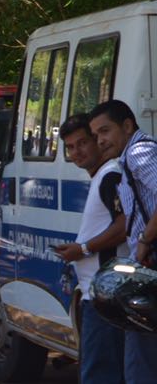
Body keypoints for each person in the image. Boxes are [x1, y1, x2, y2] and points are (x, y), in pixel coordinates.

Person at [53, 114, 127, 383]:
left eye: (83, 143)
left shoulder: (110, 175)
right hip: (96, 294)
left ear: (97, 141)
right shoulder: (101, 177)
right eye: (71, 147)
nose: (77, 152)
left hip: (106, 294)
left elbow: (125, 224)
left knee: (99, 374)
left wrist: (83, 249)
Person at [89, 99, 157, 378]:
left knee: (140, 365)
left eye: (105, 131)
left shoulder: (139, 153)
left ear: (127, 126)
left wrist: (144, 241)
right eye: (96, 135)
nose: (100, 141)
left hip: (150, 265)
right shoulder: (131, 157)